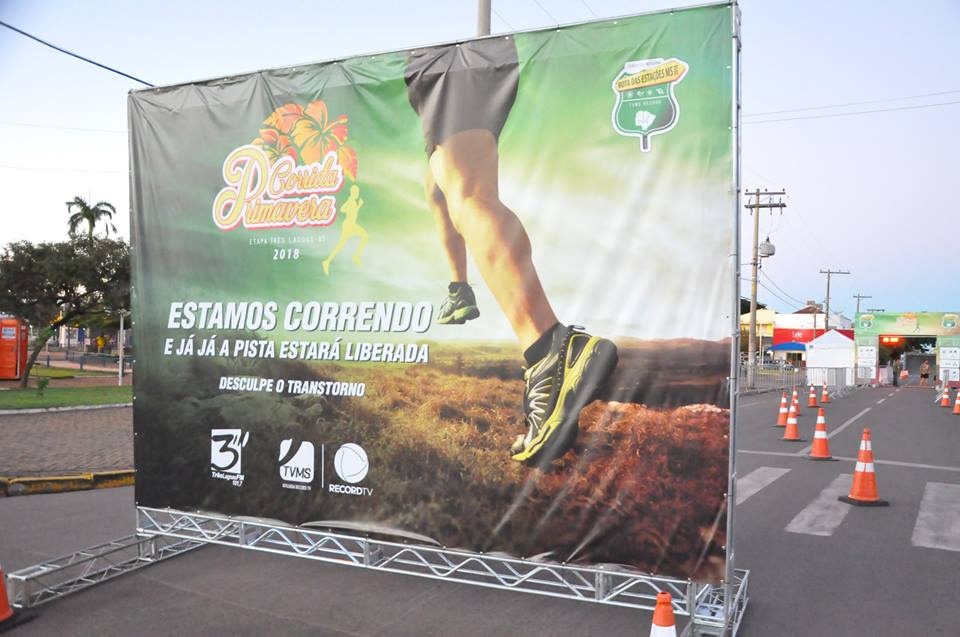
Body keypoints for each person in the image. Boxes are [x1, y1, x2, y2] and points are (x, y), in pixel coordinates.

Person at [405, 37, 618, 465]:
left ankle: (549, 349)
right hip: (455, 60)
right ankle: (459, 290)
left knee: (468, 194)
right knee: (441, 185)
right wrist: (459, 282)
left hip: (453, 59)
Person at [322, 185, 368, 275]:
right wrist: (359, 206)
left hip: (351, 224)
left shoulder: (350, 200)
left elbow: (342, 209)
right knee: (341, 245)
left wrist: (350, 209)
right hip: (349, 225)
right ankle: (327, 261)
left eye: (357, 192)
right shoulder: (351, 201)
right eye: (356, 192)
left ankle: (355, 256)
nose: (357, 193)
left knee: (364, 236)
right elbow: (353, 213)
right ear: (353, 192)